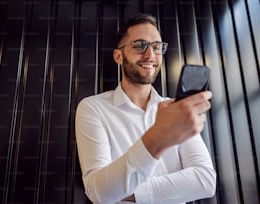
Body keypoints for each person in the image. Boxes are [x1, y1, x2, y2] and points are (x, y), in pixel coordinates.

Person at [75, 13, 216, 204]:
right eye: (139, 45)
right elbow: (100, 193)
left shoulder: (178, 110)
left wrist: (130, 191)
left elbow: (205, 180)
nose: (150, 55)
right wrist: (158, 137)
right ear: (118, 56)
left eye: (156, 47)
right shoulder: (93, 108)